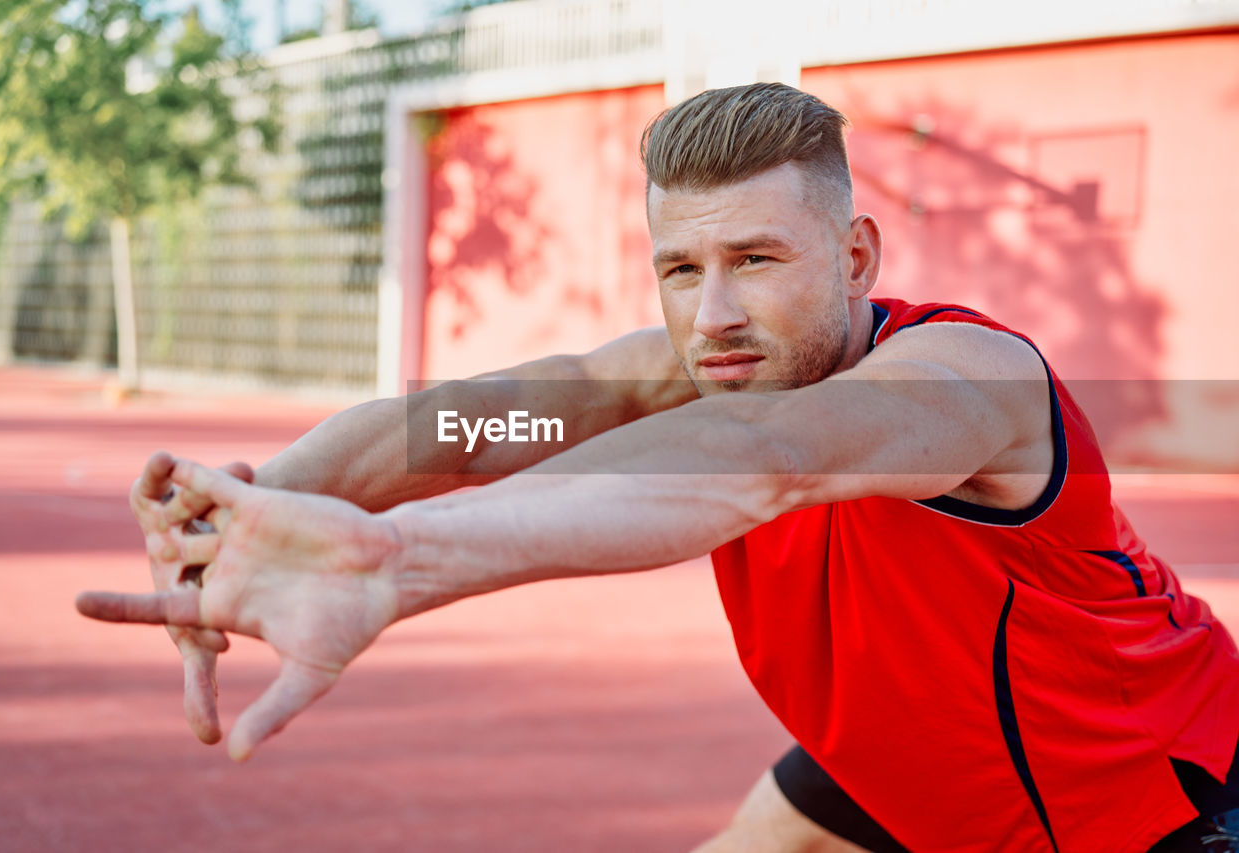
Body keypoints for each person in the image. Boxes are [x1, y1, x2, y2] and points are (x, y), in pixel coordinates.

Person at [76, 83, 1239, 852]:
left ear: (853, 256)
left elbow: (766, 460)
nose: (714, 311)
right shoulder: (697, 365)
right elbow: (480, 427)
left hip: (1137, 800)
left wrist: (401, 558)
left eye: (755, 257)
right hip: (894, 756)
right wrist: (263, 497)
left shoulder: (963, 382)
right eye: (681, 269)